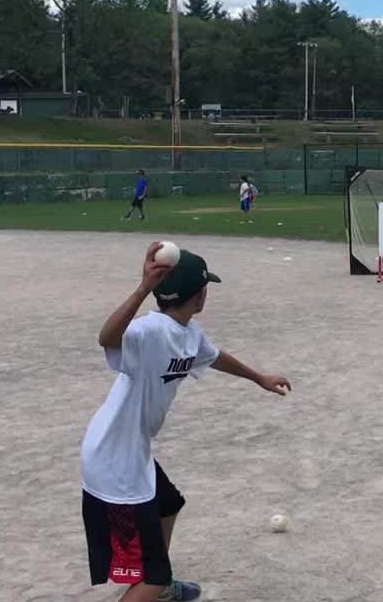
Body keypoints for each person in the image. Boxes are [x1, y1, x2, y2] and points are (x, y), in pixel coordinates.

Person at [81, 242, 291, 602]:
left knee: (169, 504)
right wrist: (142, 288)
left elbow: (213, 356)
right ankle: (155, 585)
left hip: (132, 453)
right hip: (114, 463)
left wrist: (259, 378)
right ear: (200, 295)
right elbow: (107, 338)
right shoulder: (151, 330)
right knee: (153, 578)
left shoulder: (188, 333)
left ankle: (157, 586)